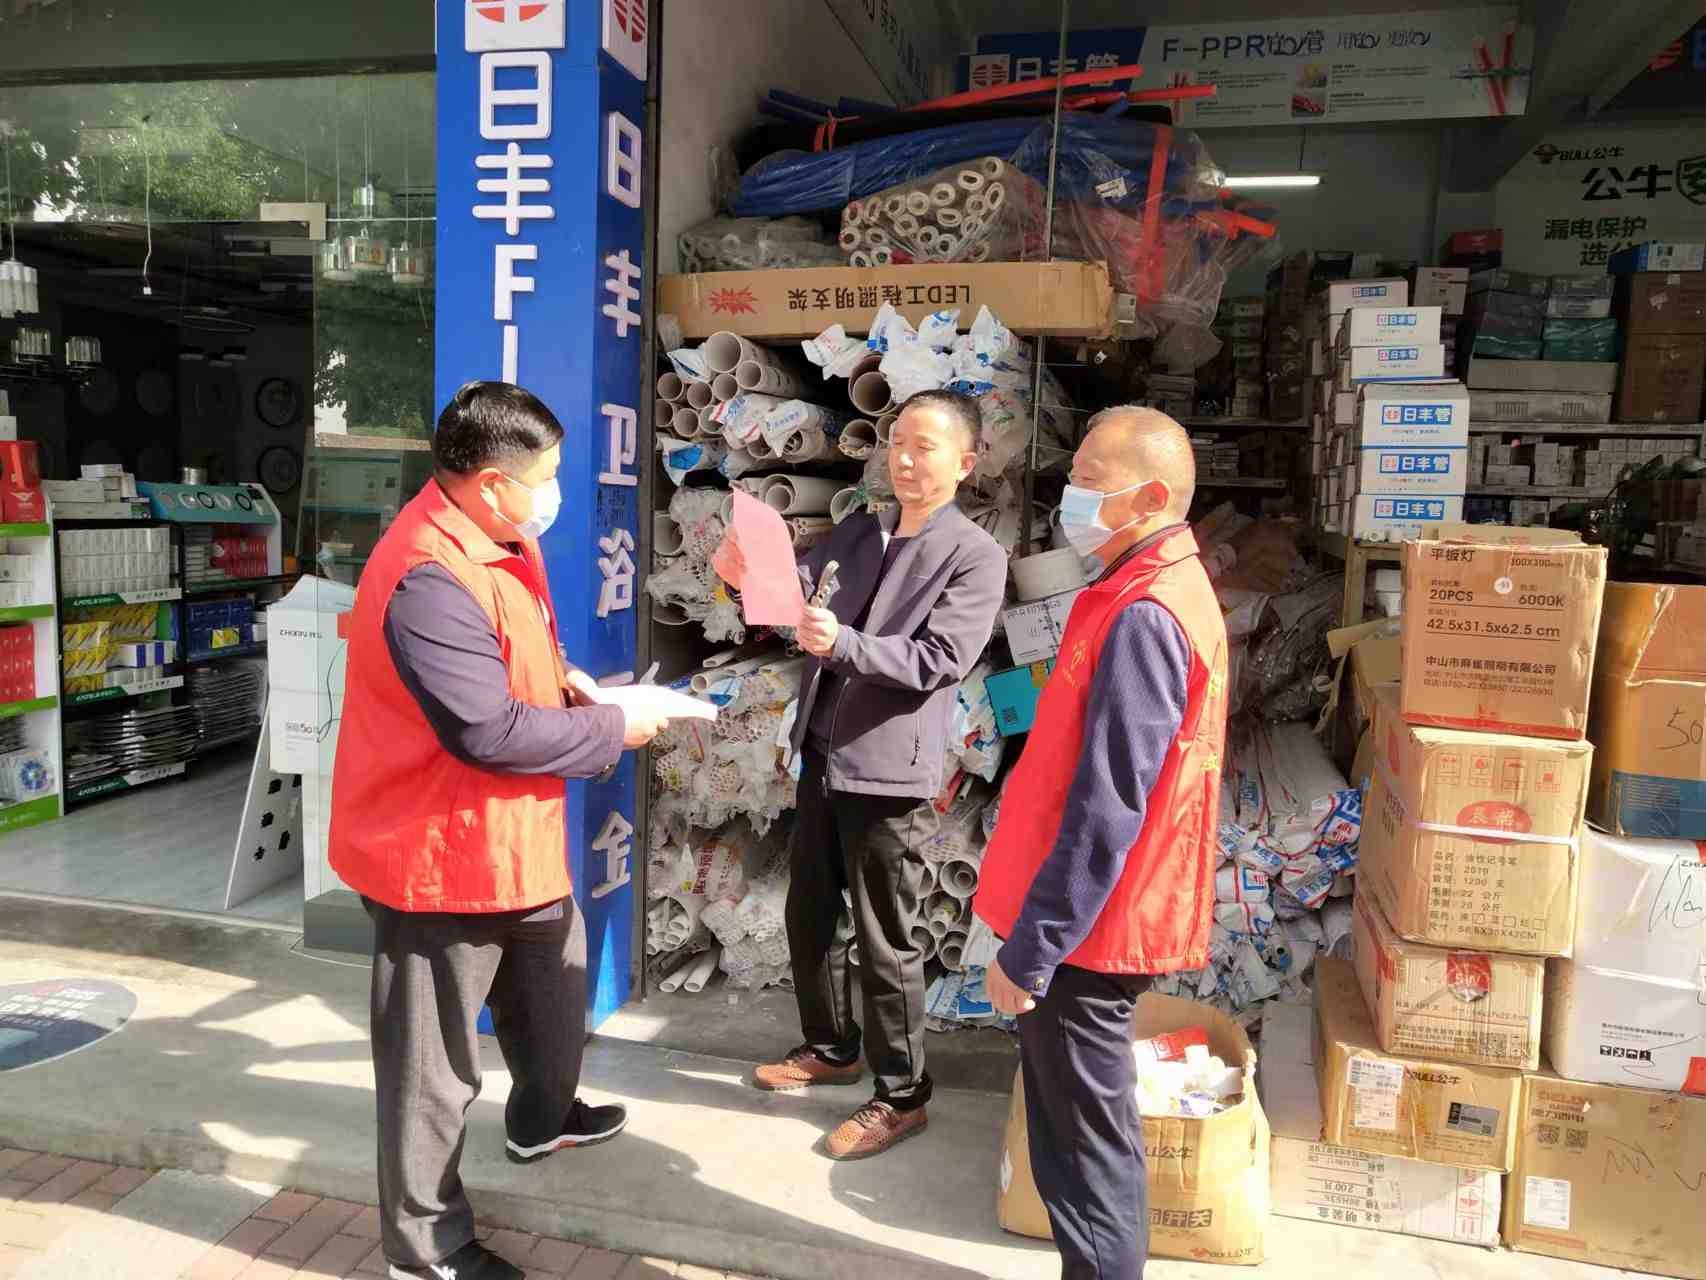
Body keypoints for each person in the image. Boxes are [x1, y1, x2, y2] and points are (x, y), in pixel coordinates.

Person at [328, 381, 666, 1280]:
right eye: (544, 477)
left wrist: (572, 686)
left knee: (554, 992)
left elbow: (513, 660)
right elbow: (486, 731)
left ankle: (542, 1120)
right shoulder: (427, 575)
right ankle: (425, 1250)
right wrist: (614, 729)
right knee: (432, 1072)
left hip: (514, 838)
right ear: (489, 482)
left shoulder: (502, 537)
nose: (554, 491)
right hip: (434, 856)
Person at [715, 388, 1006, 1159]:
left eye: (925, 447)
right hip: (821, 754)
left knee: (886, 941)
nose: (904, 459)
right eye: (897, 442)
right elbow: (790, 603)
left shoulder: (974, 555)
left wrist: (842, 643)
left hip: (889, 773)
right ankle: (831, 1046)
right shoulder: (858, 532)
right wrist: (741, 579)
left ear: (965, 463)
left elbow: (940, 660)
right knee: (809, 916)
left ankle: (902, 1094)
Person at [973, 407, 1229, 1280]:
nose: (1071, 494)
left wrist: (1033, 950)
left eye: (1089, 479)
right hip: (1087, 924)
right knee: (1074, 1140)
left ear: (1150, 498)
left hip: (1089, 934)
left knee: (1087, 1159)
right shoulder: (1135, 587)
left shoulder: (1148, 614)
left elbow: (1109, 803)